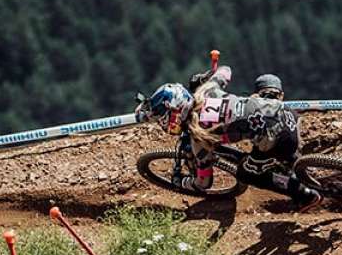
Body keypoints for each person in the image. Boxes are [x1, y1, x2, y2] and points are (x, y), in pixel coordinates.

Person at [137, 67, 322, 211]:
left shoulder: (199, 138)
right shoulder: (207, 90)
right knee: (268, 149)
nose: (164, 124)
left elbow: (203, 184)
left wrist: (182, 182)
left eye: (164, 119)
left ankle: (305, 195)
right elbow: (226, 70)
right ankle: (311, 173)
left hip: (280, 139)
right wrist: (205, 78)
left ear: (175, 112)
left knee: (246, 174)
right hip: (287, 114)